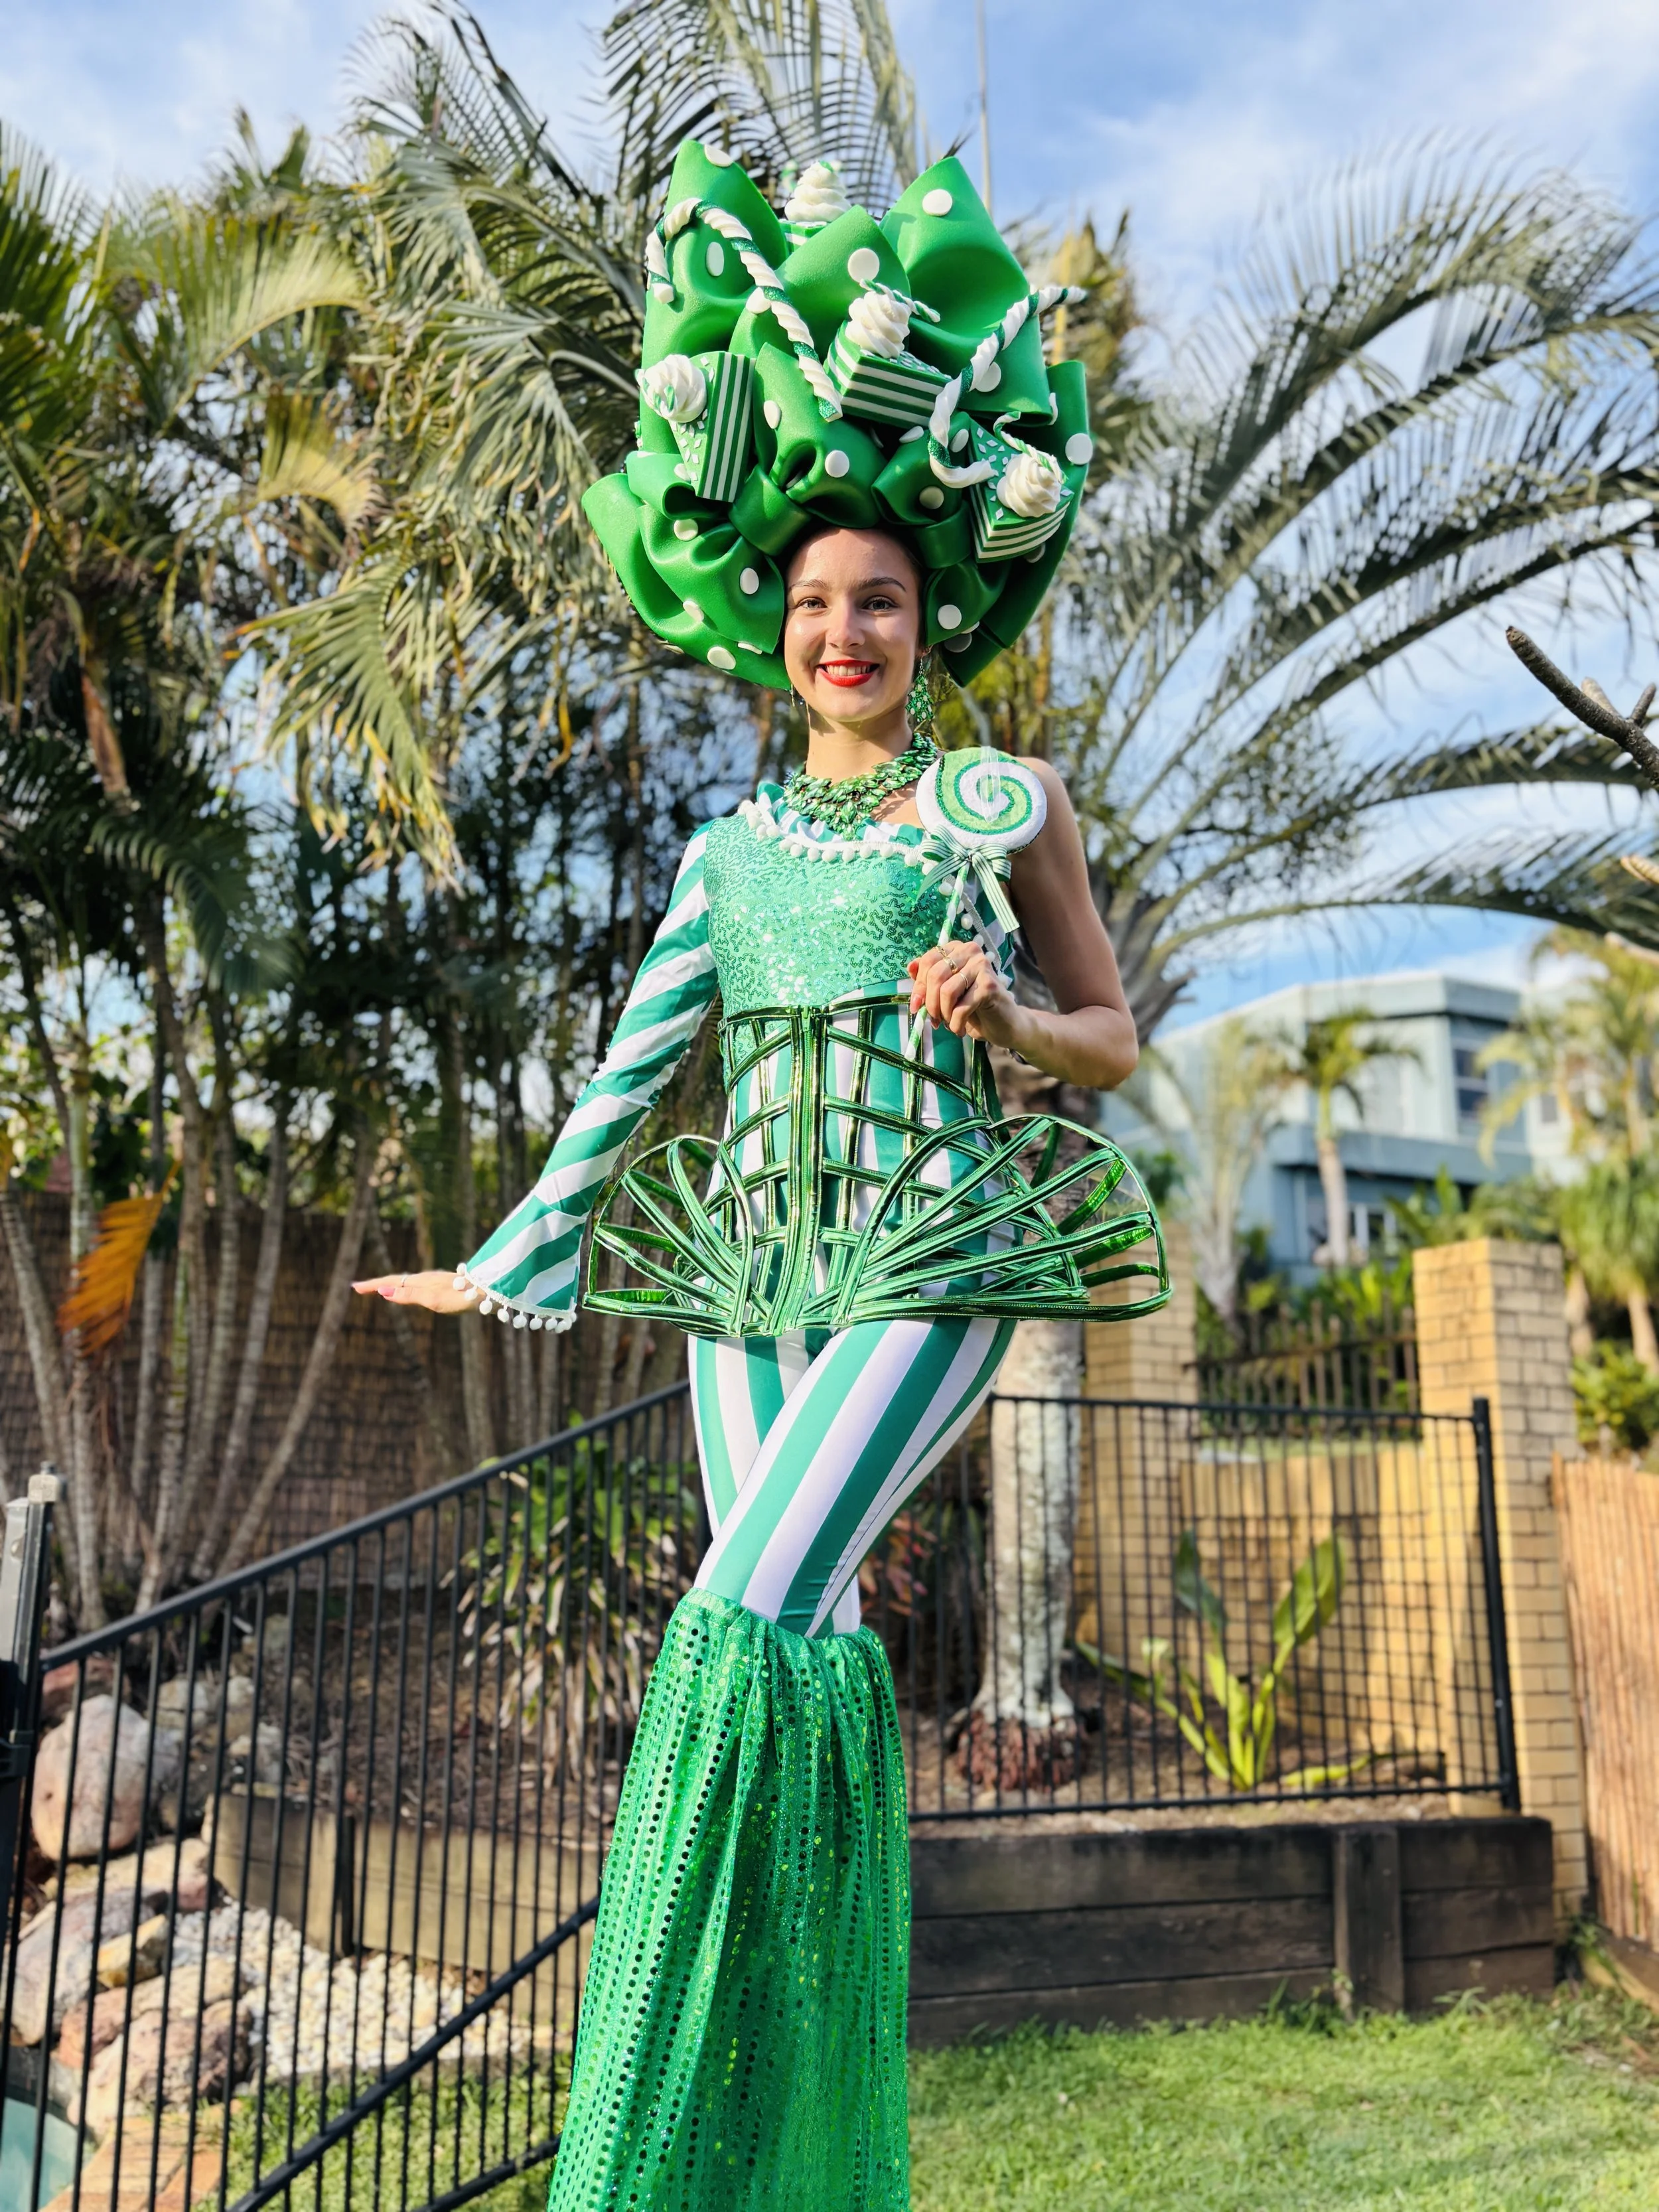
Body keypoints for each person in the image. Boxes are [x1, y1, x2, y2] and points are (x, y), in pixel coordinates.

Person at [355, 141, 1167, 2212]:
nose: (843, 628)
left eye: (877, 597)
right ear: (768, 624)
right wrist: (504, 1258)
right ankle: (772, 2155)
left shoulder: (998, 802)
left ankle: (641, 2155)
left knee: (737, 1613)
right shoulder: (725, 856)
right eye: (811, 602)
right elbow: (633, 1078)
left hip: (931, 1249)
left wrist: (1005, 1026)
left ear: (927, 610)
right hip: (746, 1276)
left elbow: (1115, 1038)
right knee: (787, 1653)